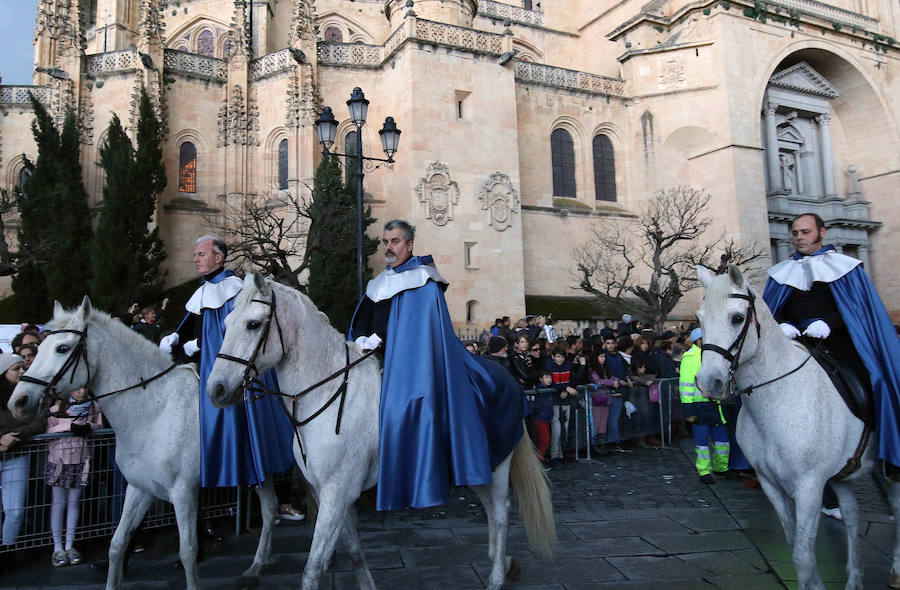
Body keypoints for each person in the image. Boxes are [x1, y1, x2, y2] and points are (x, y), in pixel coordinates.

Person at [348, 219, 527, 510]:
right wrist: (362, 339)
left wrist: (382, 338)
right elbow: (363, 322)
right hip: (375, 362)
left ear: (409, 245)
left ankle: (425, 472)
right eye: (386, 242)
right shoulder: (379, 283)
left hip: (411, 368)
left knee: (411, 407)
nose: (389, 247)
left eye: (395, 241)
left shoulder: (423, 280)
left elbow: (420, 332)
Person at [763, 212, 900, 482]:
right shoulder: (780, 273)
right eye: (795, 233)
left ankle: (888, 451)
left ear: (822, 233)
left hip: (837, 341)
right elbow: (769, 309)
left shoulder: (846, 268)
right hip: (794, 341)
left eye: (805, 232)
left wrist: (829, 323)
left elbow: (858, 309)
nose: (799, 238)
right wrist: (781, 324)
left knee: (878, 380)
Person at [160, 235, 295, 490]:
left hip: (227, 369)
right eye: (196, 254)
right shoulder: (203, 289)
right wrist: (176, 337)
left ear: (219, 258)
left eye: (201, 254)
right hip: (202, 365)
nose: (196, 259)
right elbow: (192, 322)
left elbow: (235, 335)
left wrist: (199, 345)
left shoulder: (235, 289)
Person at [44, 387, 103, 567]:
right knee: (58, 503)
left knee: (74, 502)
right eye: (78, 388)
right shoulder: (56, 408)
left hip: (82, 460)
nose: (82, 391)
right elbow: (48, 432)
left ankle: (70, 545)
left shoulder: (93, 407)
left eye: (85, 387)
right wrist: (69, 427)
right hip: (59, 461)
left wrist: (88, 427)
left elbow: (100, 426)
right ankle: (58, 547)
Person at [0, 354, 45, 572]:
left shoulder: (27, 394)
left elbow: (39, 421)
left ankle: (7, 551)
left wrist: (15, 436)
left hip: (17, 456)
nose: (22, 371)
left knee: (15, 510)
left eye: (22, 368)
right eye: (16, 368)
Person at [680, 328, 730, 484]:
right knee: (702, 443)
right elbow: (685, 385)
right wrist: (688, 409)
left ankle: (721, 468)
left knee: (722, 442)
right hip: (699, 406)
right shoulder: (690, 357)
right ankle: (704, 471)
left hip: (717, 405)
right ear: (699, 341)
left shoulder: (712, 355)